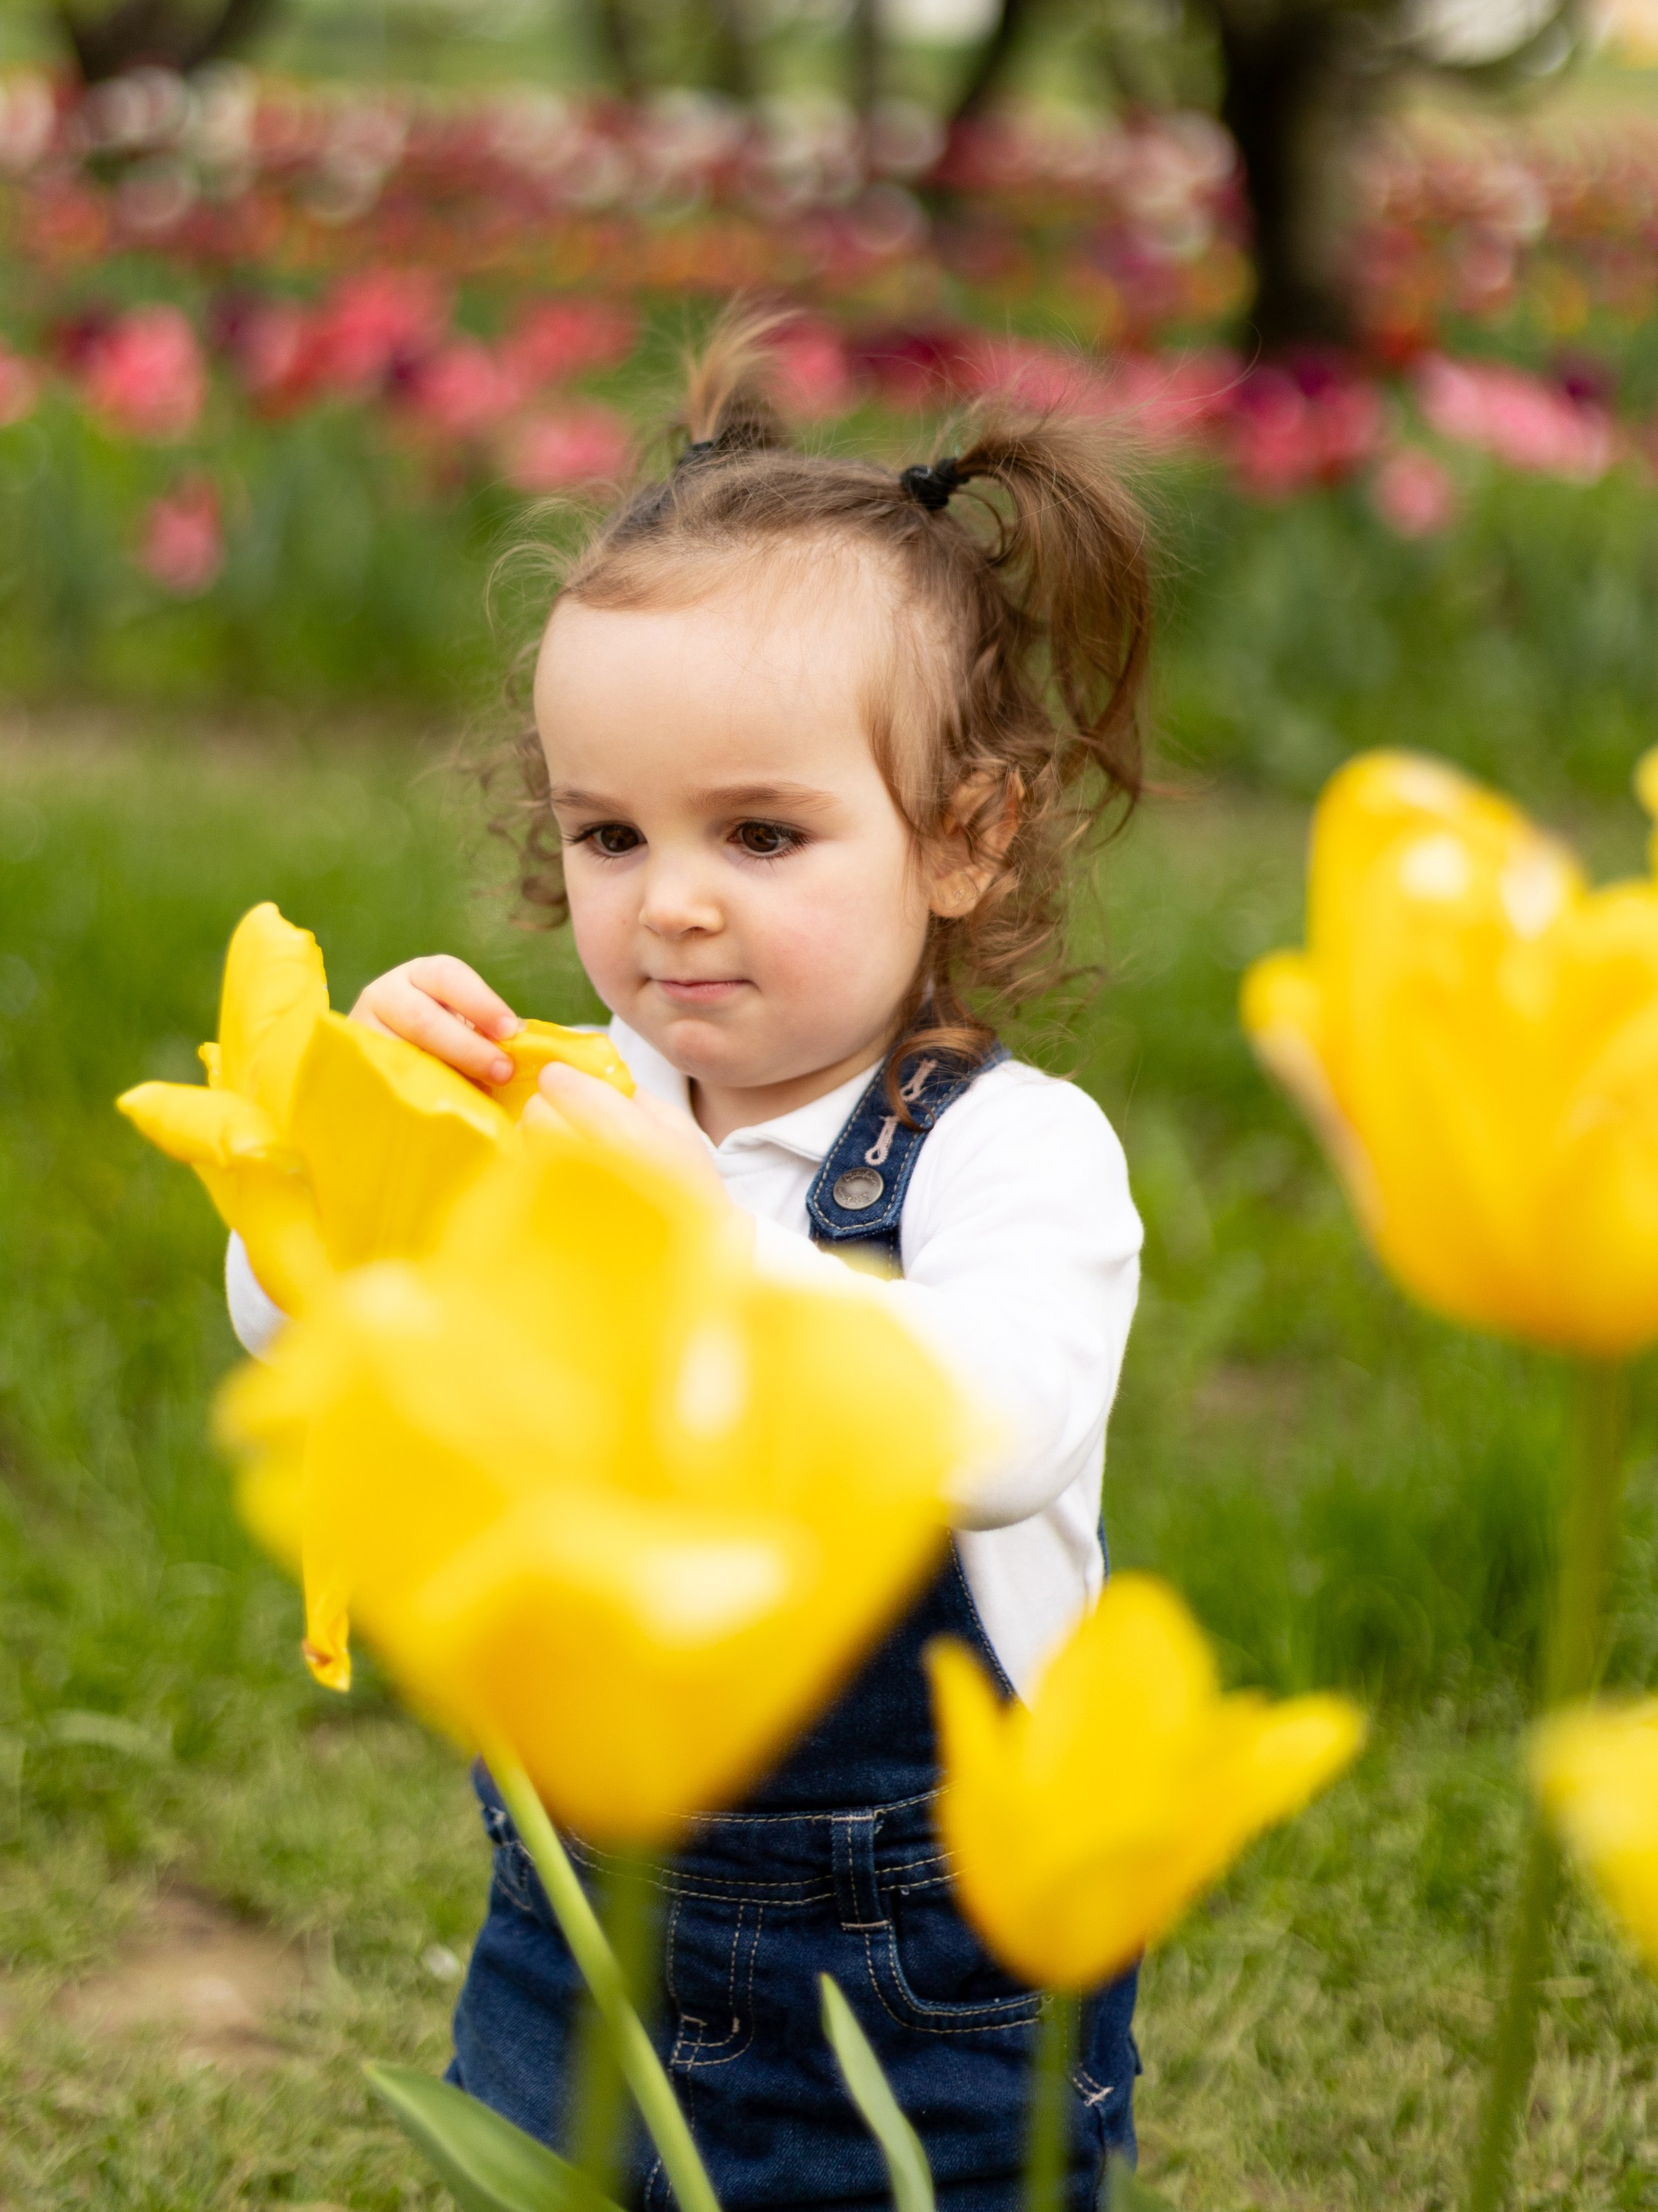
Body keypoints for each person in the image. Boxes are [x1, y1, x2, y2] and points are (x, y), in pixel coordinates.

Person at [227, 314, 1152, 2210]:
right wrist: (359, 1157)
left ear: (961, 840)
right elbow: (303, 1331)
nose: (671, 901)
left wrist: (699, 1243)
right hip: (581, 1922)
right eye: (609, 832)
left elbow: (1001, 1433)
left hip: (922, 1970)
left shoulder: (1002, 1157)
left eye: (759, 831)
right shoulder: (576, 1103)